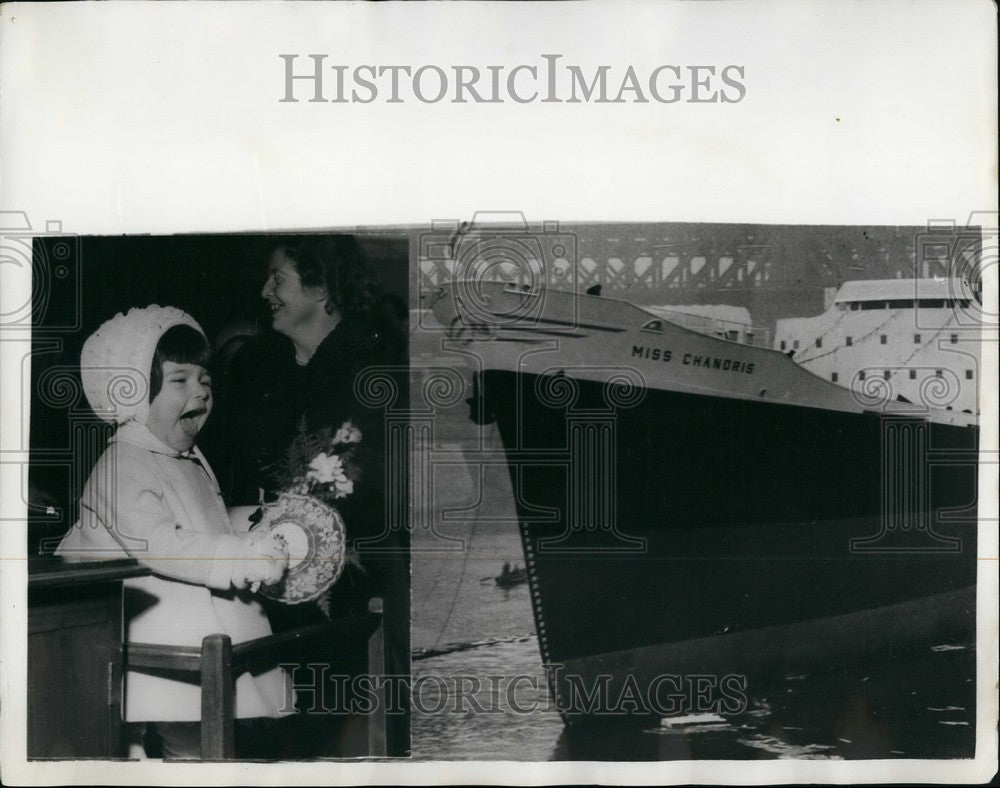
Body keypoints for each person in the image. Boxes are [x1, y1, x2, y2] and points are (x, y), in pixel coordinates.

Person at [56, 306, 293, 759]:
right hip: (158, 639)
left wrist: (264, 521)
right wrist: (241, 557)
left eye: (205, 379)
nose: (201, 391)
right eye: (179, 380)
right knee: (189, 744)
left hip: (198, 633)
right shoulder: (122, 464)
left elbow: (208, 520)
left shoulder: (187, 456)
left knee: (214, 743)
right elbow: (164, 544)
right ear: (132, 394)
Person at [207, 235, 409, 756]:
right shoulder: (275, 369)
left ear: (321, 287)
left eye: (278, 279)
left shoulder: (370, 367)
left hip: (358, 588)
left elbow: (372, 481)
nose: (264, 291)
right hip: (291, 588)